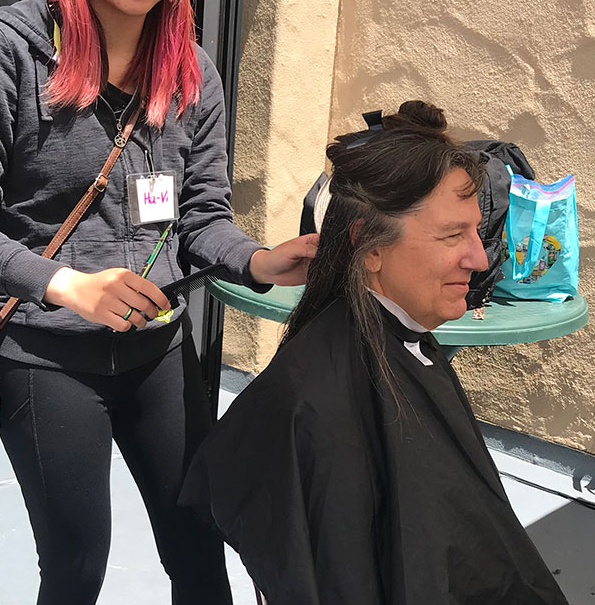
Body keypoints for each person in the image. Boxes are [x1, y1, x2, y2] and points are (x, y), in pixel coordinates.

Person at [0, 0, 317, 605]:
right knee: (77, 569)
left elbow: (199, 219)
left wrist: (262, 261)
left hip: (160, 356)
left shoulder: (192, 71)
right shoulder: (6, 50)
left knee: (201, 553)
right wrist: (66, 284)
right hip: (47, 358)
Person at [181, 101, 570, 605]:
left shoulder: (401, 347)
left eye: (478, 231)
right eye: (453, 235)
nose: (478, 258)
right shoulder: (317, 401)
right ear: (371, 248)